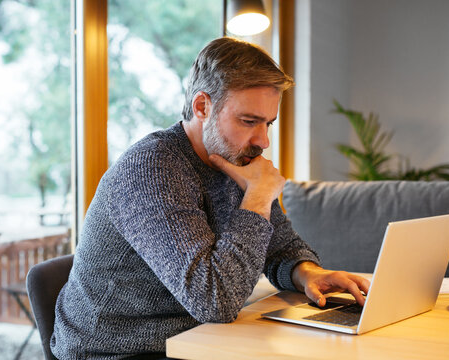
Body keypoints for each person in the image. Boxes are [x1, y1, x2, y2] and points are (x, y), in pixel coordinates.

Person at [51, 37, 370, 360]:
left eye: (268, 123)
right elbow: (214, 300)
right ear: (202, 106)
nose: (263, 141)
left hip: (196, 337)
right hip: (115, 350)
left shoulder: (236, 159)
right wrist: (258, 198)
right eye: (249, 121)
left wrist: (306, 273)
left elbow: (281, 247)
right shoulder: (153, 167)